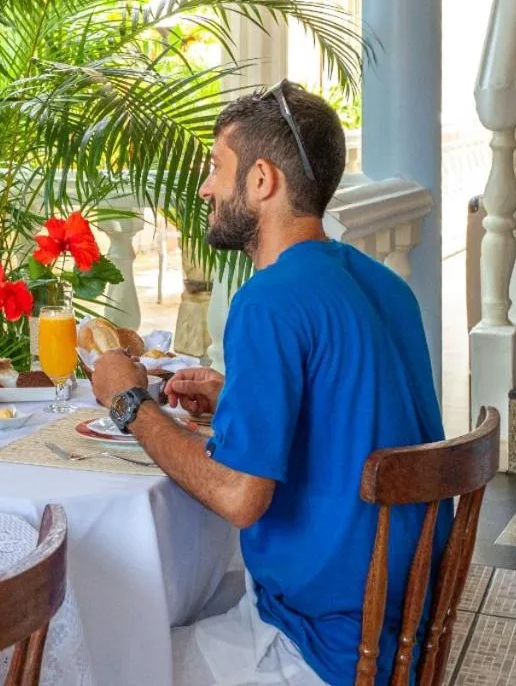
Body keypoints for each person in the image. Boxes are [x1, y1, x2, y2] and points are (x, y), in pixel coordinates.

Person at [91, 81, 450, 685]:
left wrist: (131, 403)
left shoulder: (269, 301)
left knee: (105, 650)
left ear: (261, 181)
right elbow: (357, 415)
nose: (206, 186)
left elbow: (238, 495)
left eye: (216, 167)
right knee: (184, 597)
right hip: (396, 627)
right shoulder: (383, 284)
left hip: (319, 646)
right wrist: (237, 395)